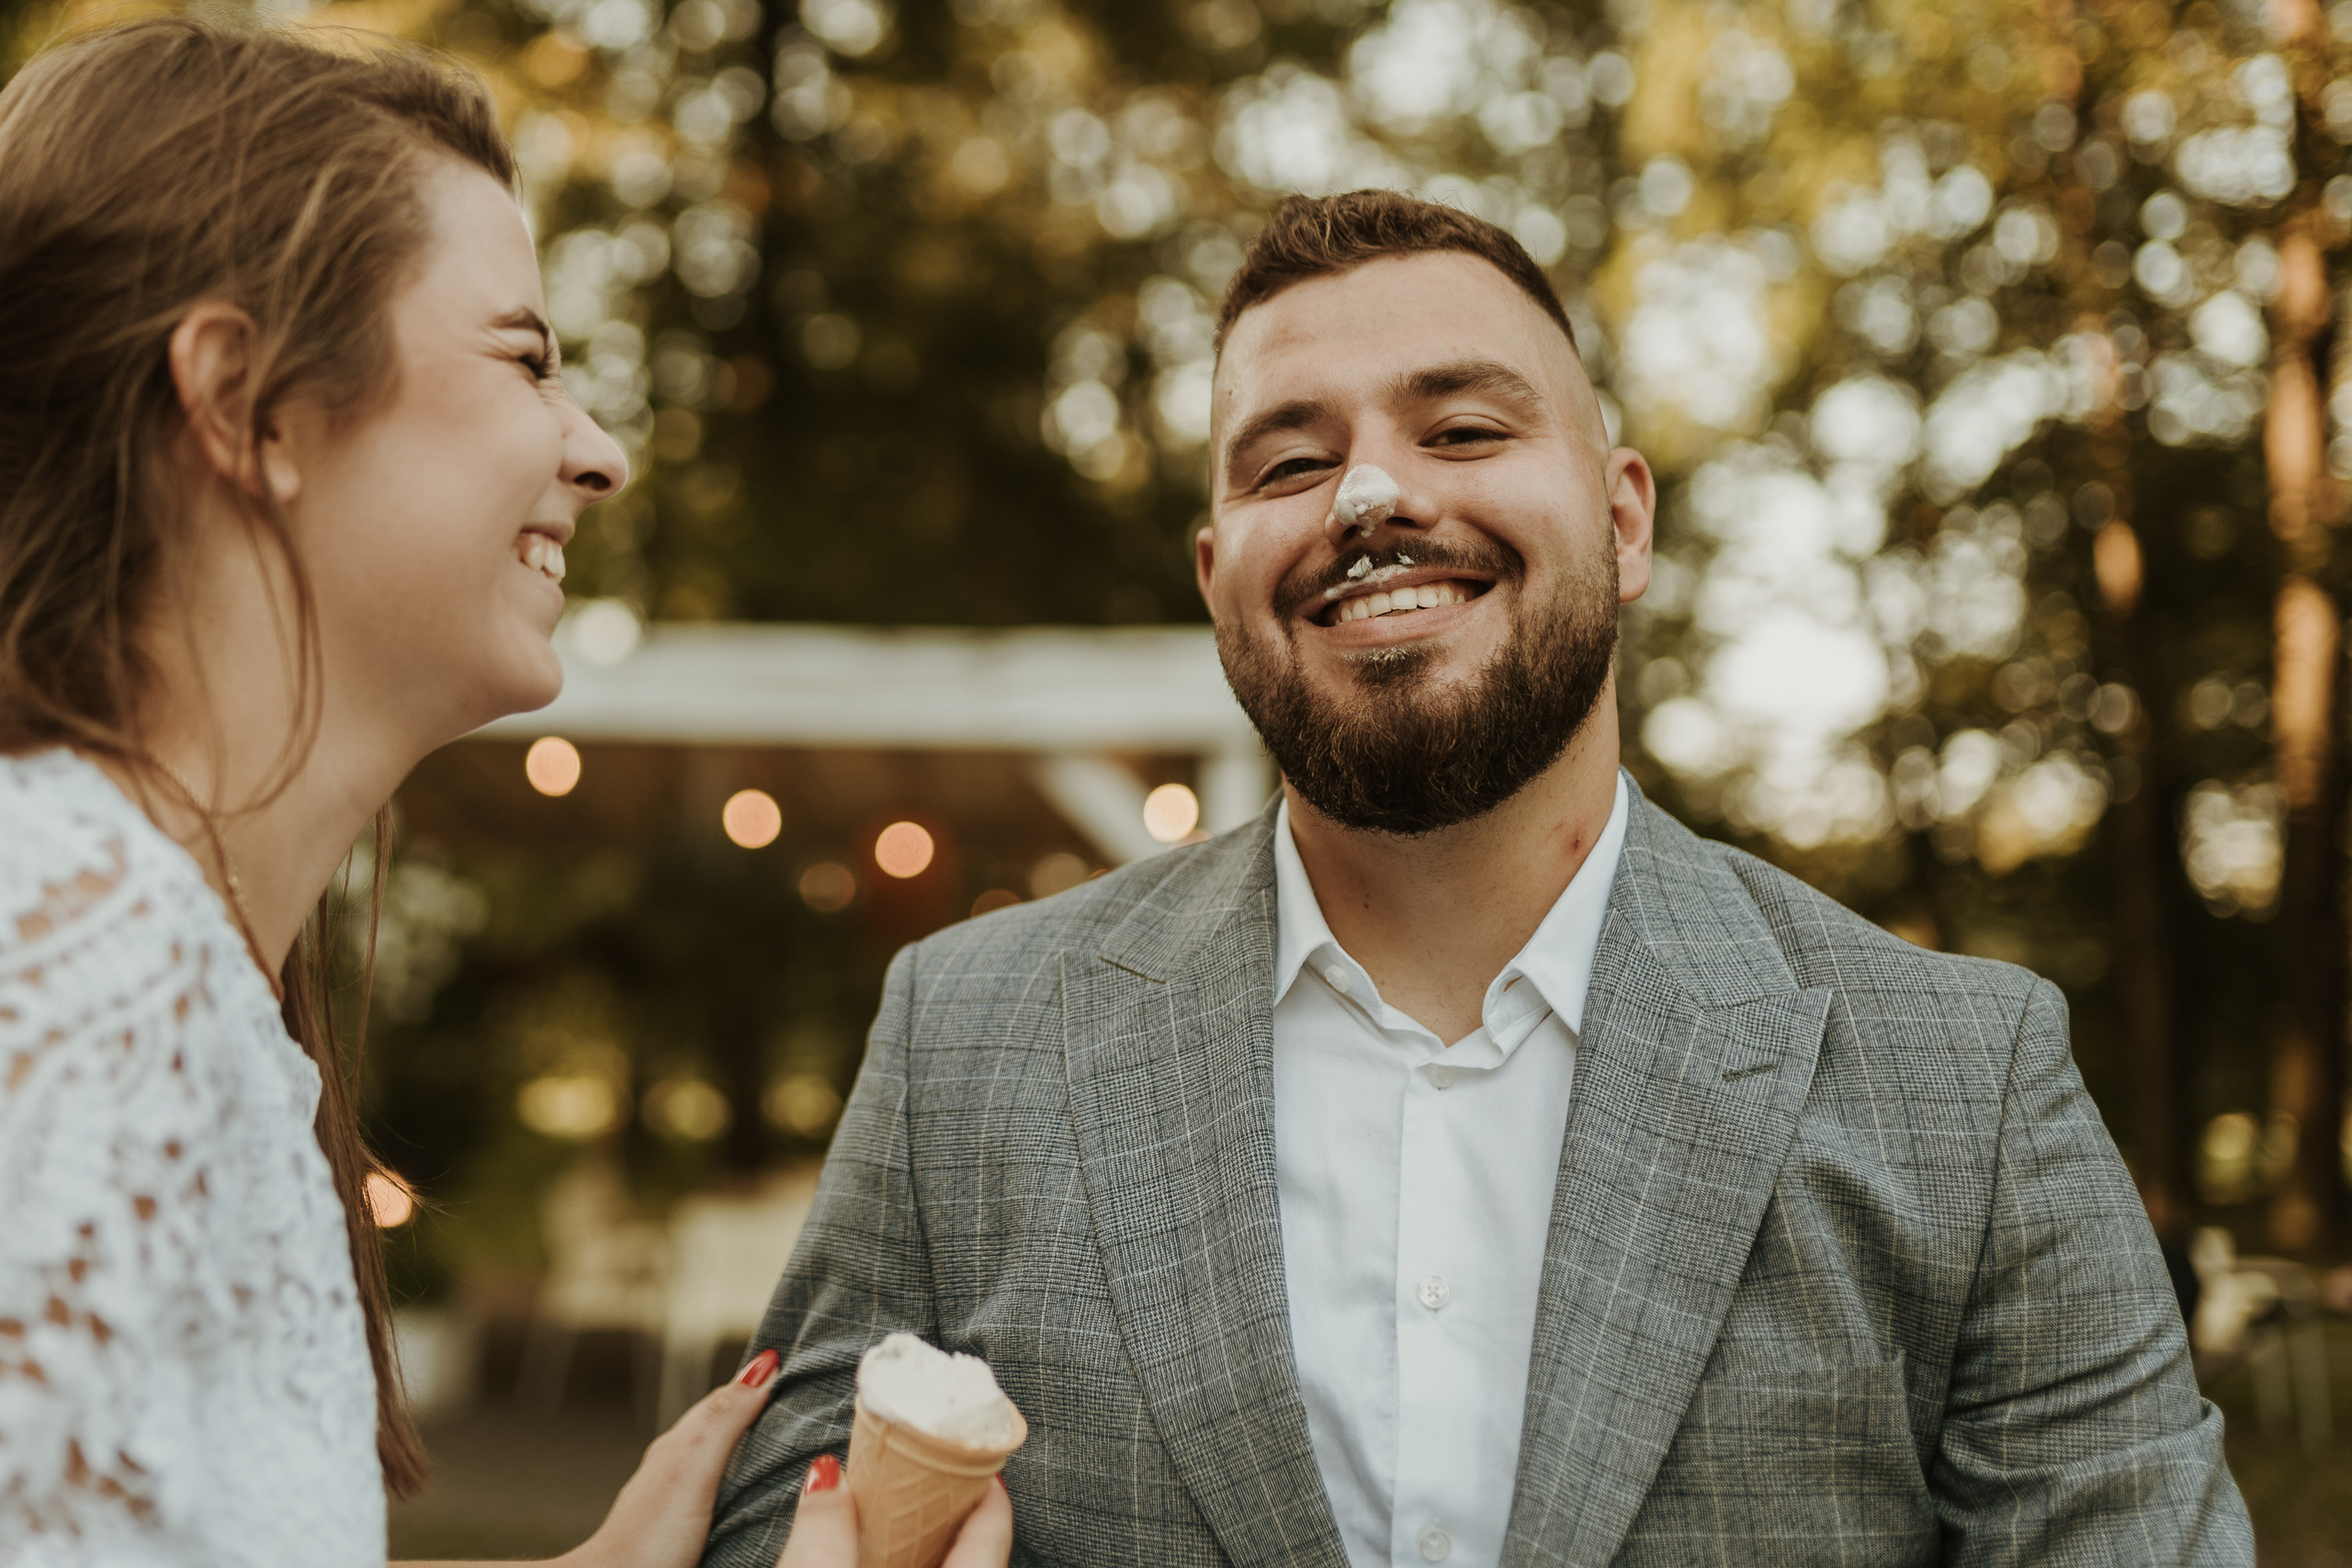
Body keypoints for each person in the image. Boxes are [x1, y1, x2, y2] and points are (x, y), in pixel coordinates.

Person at [706, 191, 2255, 1567]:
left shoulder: (1963, 1085)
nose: (1369, 500)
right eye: (1292, 459)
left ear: (1625, 518)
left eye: (1460, 431)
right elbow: (787, 1521)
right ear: (1215, 575)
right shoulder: (965, 1039)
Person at [0, 20, 1009, 1568]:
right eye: (526, 359)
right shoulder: (71, 963)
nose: (597, 454)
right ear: (244, 401)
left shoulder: (178, 991)